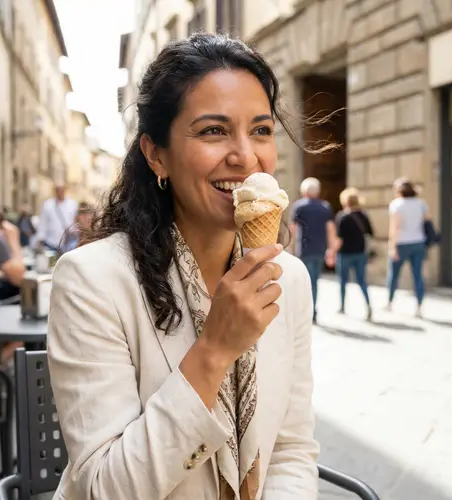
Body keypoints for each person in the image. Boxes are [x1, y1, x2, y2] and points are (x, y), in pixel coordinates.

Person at [48, 34, 319, 500]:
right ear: (156, 154)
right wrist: (213, 351)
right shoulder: (90, 280)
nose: (245, 156)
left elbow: (291, 450)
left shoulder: (288, 279)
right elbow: (103, 489)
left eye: (260, 130)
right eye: (213, 131)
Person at [290, 177, 338, 323]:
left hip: (303, 249)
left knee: (303, 281)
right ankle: (313, 311)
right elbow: (330, 229)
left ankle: (303, 311)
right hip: (320, 249)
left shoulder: (299, 206)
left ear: (304, 191)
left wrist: (289, 250)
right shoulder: (325, 207)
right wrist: (331, 250)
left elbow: (292, 230)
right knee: (314, 281)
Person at [387, 178, 431, 317]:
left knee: (394, 274)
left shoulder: (397, 205)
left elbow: (395, 227)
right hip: (418, 242)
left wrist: (392, 246)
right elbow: (427, 222)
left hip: (401, 243)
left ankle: (390, 302)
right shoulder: (421, 204)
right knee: (418, 276)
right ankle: (419, 307)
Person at [335, 188, 374, 320]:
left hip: (345, 253)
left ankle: (342, 306)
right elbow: (371, 233)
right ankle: (368, 306)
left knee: (342, 281)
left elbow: (339, 238)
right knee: (362, 280)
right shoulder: (363, 215)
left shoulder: (342, 216)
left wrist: (332, 251)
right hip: (360, 253)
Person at [35, 183, 78, 252]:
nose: (59, 192)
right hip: (50, 242)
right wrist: (40, 238)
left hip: (68, 243)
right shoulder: (48, 205)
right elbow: (43, 223)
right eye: (57, 190)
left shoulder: (73, 204)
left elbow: (75, 221)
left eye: (61, 190)